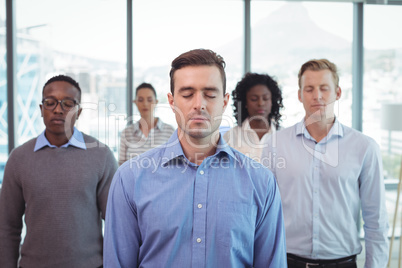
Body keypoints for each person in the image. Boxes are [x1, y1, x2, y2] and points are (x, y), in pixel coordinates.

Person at [104, 49, 287, 267]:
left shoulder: (262, 183)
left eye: (210, 94)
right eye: (187, 93)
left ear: (225, 101)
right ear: (171, 101)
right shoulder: (129, 180)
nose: (198, 104)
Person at [261, 59, 389, 268]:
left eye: (324, 88)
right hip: (287, 261)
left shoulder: (365, 147)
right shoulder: (275, 144)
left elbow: (376, 221)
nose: (317, 96)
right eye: (309, 89)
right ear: (300, 95)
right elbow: (264, 213)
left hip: (343, 263)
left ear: (337, 93)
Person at [0, 75, 118, 268]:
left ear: (78, 112)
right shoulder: (19, 158)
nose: (58, 109)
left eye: (68, 103)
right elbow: (7, 226)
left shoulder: (101, 156)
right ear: (41, 109)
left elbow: (117, 223)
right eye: (50, 102)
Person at [224, 72, 283, 162]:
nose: (260, 103)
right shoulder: (231, 137)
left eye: (265, 98)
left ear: (272, 102)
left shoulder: (283, 136)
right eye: (254, 99)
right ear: (245, 103)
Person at [118, 82, 175, 165]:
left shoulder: (170, 131)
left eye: (149, 100)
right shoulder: (126, 133)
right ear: (135, 102)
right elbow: (121, 165)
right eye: (140, 100)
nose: (145, 104)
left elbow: (174, 163)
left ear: (156, 102)